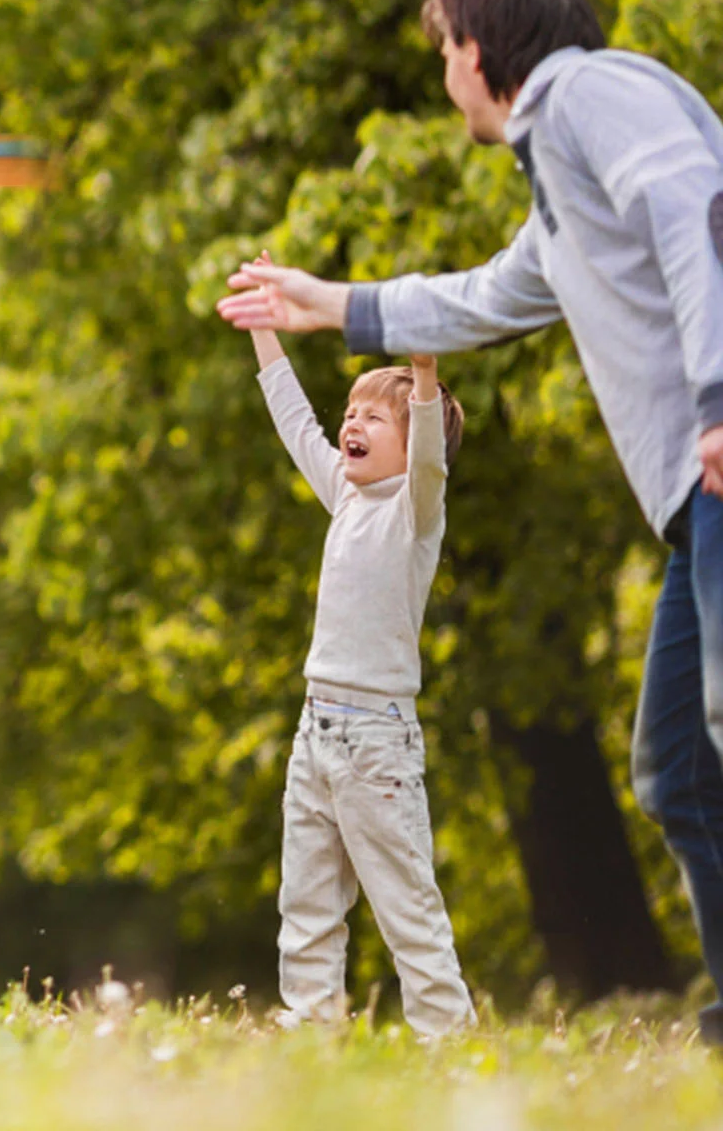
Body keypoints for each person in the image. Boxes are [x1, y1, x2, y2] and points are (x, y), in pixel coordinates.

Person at [218, 0, 723, 1039]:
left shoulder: (588, 92)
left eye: (443, 50)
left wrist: (719, 396)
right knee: (676, 766)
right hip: (692, 507)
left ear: (476, 51)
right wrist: (324, 304)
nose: (443, 73)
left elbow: (694, 206)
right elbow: (484, 297)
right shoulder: (560, 191)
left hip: (715, 463)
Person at [239, 285, 473, 1036]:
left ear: (409, 444)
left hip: (377, 743)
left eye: (374, 415)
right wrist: (265, 334)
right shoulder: (344, 494)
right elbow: (292, 418)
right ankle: (311, 1031)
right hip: (316, 733)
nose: (352, 423)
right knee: (305, 901)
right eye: (352, 412)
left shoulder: (415, 513)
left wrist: (426, 378)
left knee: (407, 906)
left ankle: (450, 1043)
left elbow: (431, 462)